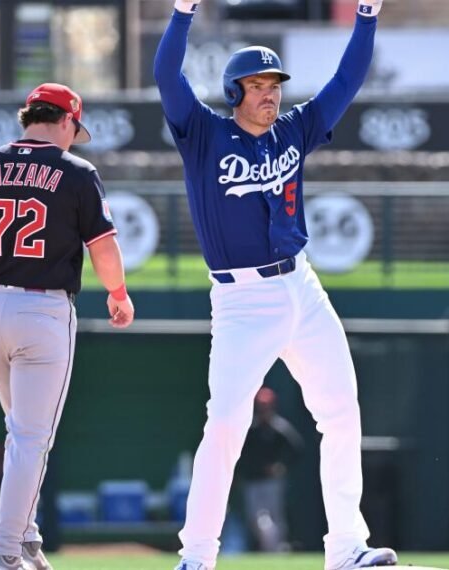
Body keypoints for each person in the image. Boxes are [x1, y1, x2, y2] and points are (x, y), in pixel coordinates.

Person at [154, 1, 398, 568]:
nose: (271, 93)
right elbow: (167, 75)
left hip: (302, 287)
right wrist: (183, 12)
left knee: (341, 410)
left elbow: (346, 80)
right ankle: (196, 555)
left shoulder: (296, 130)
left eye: (275, 84)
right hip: (242, 298)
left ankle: (346, 548)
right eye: (258, 85)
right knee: (226, 424)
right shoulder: (202, 135)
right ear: (234, 91)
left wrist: (366, 14)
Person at [0, 82, 135, 570]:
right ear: (67, 120)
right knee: (32, 438)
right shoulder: (76, 171)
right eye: (76, 127)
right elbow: (105, 248)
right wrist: (117, 294)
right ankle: (5, 551)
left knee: (19, 432)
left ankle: (26, 539)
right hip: (43, 313)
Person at [238, 387, 303, 552]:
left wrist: (281, 466)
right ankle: (268, 548)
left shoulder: (279, 428)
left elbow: (297, 449)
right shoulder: (249, 429)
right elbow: (241, 455)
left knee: (275, 518)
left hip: (272, 482)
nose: (264, 410)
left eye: (266, 406)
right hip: (252, 481)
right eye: (261, 407)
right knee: (255, 519)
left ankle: (275, 550)